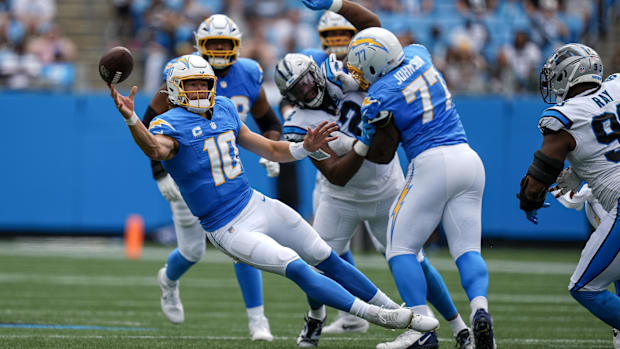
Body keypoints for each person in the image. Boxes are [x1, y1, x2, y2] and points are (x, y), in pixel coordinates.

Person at [109, 54, 440, 344]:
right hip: (227, 227)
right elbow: (155, 148)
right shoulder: (169, 123)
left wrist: (303, 148)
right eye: (191, 85)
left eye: (203, 83)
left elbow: (266, 146)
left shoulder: (222, 107)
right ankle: (377, 317)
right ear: (176, 89)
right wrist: (130, 119)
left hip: (254, 202)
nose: (199, 91)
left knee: (325, 255)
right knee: (297, 267)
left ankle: (396, 310)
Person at [301, 1, 495, 349]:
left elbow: (383, 153)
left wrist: (359, 139)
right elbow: (381, 36)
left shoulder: (379, 96)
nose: (356, 73)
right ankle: (480, 309)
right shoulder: (419, 53)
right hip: (468, 159)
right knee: (467, 249)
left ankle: (420, 329)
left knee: (400, 249)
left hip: (430, 165)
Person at [276, 52, 474, 349]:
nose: (306, 91)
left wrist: (363, 83)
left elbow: (385, 65)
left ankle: (460, 328)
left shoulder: (347, 79)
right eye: (297, 90)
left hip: (386, 188)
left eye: (305, 81)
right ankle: (316, 317)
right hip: (340, 198)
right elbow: (335, 174)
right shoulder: (300, 122)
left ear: (315, 74)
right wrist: (363, 143)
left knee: (415, 261)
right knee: (317, 263)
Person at [140, 14, 282, 341]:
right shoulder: (182, 73)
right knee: (192, 252)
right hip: (189, 176)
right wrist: (160, 172)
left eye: (225, 44)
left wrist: (271, 150)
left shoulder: (247, 73)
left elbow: (268, 120)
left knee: (243, 246)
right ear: (199, 46)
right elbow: (150, 126)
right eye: (212, 44)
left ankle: (257, 320)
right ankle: (169, 280)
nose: (218, 50)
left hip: (228, 177)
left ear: (237, 46)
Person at [517, 43, 620, 347]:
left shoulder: (564, 117)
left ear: (570, 75)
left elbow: (537, 182)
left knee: (584, 286)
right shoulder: (616, 87)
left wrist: (528, 200)